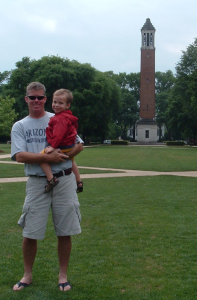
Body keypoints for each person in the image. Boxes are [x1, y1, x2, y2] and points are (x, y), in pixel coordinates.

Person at [11, 82, 83, 292]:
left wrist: (61, 157)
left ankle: (63, 275)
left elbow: (79, 145)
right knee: (30, 232)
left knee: (65, 231)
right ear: (26, 99)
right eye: (32, 97)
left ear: (45, 99)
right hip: (36, 182)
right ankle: (27, 275)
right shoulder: (20, 126)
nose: (36, 101)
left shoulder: (58, 117)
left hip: (64, 180)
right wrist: (46, 157)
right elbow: (19, 156)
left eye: (40, 97)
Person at [39, 88, 83, 194]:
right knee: (71, 161)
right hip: (70, 145)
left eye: (60, 103)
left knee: (41, 157)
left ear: (67, 105)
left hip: (63, 146)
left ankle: (51, 179)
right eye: (54, 102)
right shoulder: (67, 116)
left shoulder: (60, 118)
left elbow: (59, 135)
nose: (56, 105)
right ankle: (79, 181)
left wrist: (53, 147)